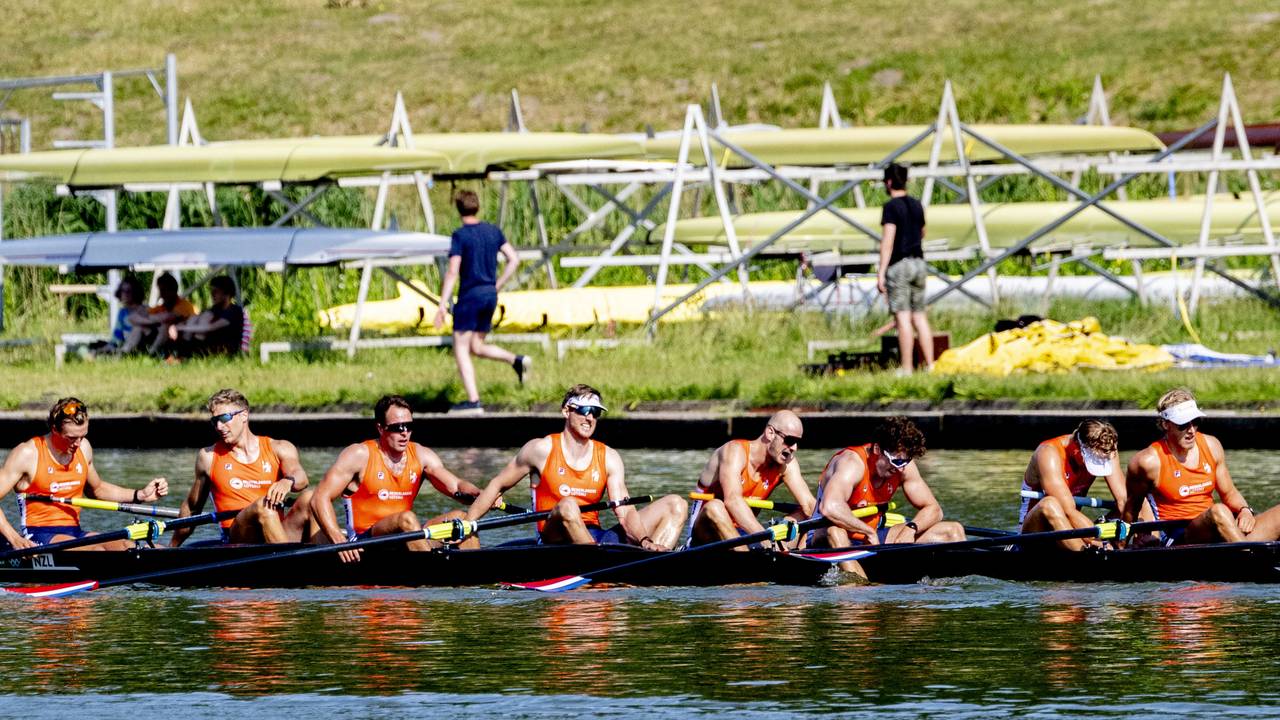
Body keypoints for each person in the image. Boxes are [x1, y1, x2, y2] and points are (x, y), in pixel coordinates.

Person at [463, 384, 687, 549]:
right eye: (583, 410)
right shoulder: (540, 449)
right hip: (554, 540)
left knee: (676, 504)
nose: (590, 418)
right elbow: (497, 486)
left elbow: (625, 511)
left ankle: (654, 562)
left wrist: (645, 541)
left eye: (596, 412)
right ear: (566, 411)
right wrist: (467, 523)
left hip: (596, 536)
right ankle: (598, 565)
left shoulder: (609, 457)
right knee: (568, 506)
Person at [310, 395, 489, 563]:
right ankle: (432, 575)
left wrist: (482, 494)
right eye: (397, 428)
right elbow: (319, 498)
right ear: (380, 428)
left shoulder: (421, 455)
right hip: (365, 541)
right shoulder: (359, 454)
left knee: (461, 518)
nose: (404, 433)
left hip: (407, 534)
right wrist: (337, 538)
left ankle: (478, 575)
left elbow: (456, 486)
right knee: (406, 518)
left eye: (408, 426)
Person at [0, 398, 167, 550]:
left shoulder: (84, 448)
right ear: (54, 430)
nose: (78, 443)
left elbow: (97, 489)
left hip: (74, 532)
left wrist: (140, 494)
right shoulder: (28, 454)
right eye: (72, 438)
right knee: (98, 552)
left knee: (127, 546)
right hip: (39, 536)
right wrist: (14, 538)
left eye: (83, 436)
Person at [808, 416, 965, 575]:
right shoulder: (852, 464)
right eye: (896, 462)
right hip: (824, 539)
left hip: (871, 539)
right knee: (835, 532)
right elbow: (829, 508)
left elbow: (934, 509)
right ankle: (862, 591)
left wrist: (911, 529)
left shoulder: (902, 466)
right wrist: (867, 531)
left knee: (953, 530)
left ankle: (960, 588)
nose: (901, 469)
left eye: (905, 461)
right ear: (877, 449)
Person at [1123, 388, 1273, 545]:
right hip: (1179, 537)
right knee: (1219, 511)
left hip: (1219, 527)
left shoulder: (1212, 445)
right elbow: (1131, 509)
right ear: (1166, 425)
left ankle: (1244, 550)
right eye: (1183, 425)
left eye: (1195, 422)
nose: (1191, 431)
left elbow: (1229, 493)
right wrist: (1121, 546)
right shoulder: (1148, 461)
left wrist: (1245, 510)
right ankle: (1250, 558)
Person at [171, 389, 317, 546]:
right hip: (238, 537)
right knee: (263, 506)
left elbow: (301, 478)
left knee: (312, 498)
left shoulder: (280, 447)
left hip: (276, 531)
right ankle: (290, 564)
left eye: (224, 418)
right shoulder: (208, 457)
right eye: (215, 421)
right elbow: (192, 508)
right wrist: (171, 548)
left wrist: (287, 481)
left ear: (244, 415)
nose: (219, 426)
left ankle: (325, 558)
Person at [433, 189, 529, 414]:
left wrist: (442, 304)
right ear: (477, 206)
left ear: (458, 209)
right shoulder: (493, 232)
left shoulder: (460, 235)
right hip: (489, 295)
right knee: (476, 346)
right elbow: (514, 259)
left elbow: (453, 271)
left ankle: (474, 401)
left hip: (470, 296)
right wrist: (497, 284)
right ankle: (517, 360)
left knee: (461, 348)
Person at [687, 410, 816, 548]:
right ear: (770, 433)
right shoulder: (735, 451)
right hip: (705, 535)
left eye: (798, 442)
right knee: (715, 507)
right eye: (790, 440)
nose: (794, 448)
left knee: (805, 513)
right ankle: (757, 559)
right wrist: (767, 541)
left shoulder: (786, 464)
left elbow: (809, 506)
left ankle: (802, 553)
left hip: (745, 534)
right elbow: (733, 501)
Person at [1019, 420, 1129, 551]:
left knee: (1135, 501)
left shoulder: (1106, 449)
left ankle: (1145, 545)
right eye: (1093, 461)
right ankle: (1087, 555)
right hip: (1035, 533)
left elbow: (1124, 501)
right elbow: (1068, 510)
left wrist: (1133, 538)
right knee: (1049, 504)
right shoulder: (1049, 453)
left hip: (1073, 530)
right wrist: (1098, 542)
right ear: (1077, 448)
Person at [877, 162, 934, 374]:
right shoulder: (917, 205)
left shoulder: (891, 207)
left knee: (902, 317)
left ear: (889, 182)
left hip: (900, 265)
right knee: (919, 316)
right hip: (919, 263)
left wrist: (881, 271)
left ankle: (907, 367)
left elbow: (888, 241)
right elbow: (923, 232)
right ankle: (930, 364)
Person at [167, 275, 245, 357]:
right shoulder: (215, 309)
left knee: (200, 325)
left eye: (215, 292)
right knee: (193, 319)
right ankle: (180, 354)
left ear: (226, 293)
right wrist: (176, 325)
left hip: (225, 350)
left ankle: (183, 355)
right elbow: (194, 319)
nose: (212, 295)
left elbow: (209, 327)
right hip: (210, 346)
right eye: (211, 291)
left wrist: (179, 328)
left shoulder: (234, 311)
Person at [127, 272, 197, 354]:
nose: (162, 294)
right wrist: (152, 320)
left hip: (181, 339)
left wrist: (149, 319)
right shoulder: (160, 307)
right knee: (139, 327)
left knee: (165, 326)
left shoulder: (184, 305)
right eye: (161, 290)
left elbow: (169, 317)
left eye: (164, 290)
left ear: (173, 290)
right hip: (163, 338)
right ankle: (124, 352)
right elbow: (132, 318)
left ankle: (152, 354)